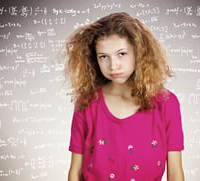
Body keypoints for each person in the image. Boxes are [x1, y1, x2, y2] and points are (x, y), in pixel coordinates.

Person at [63, 12, 184, 181]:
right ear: (94, 59)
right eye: (103, 57)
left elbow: (175, 173)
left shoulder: (166, 103)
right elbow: (75, 173)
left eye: (122, 54)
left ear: (138, 52)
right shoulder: (87, 103)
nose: (113, 65)